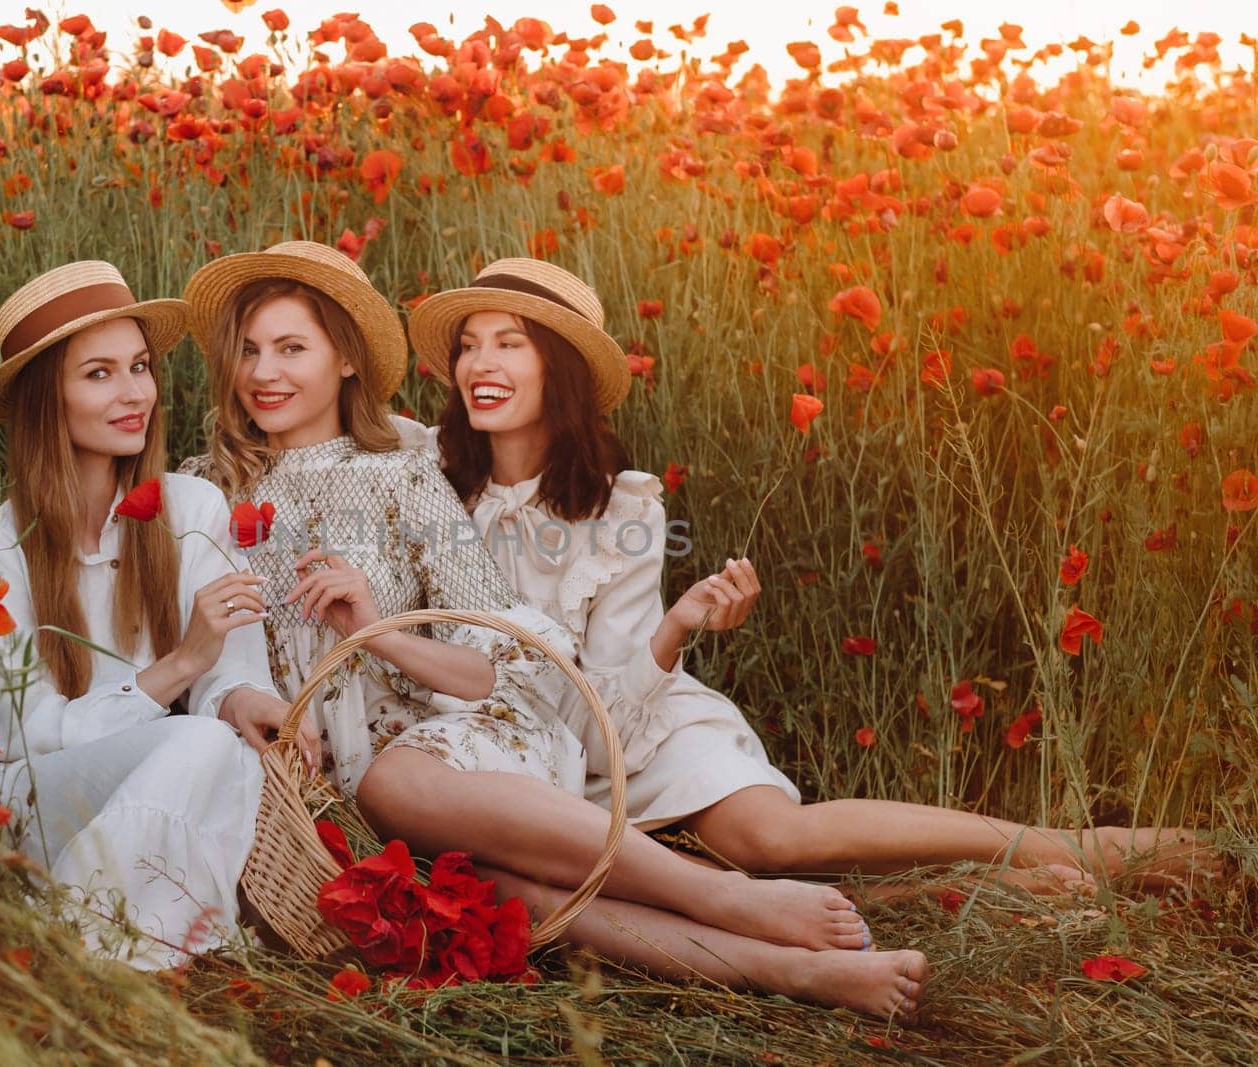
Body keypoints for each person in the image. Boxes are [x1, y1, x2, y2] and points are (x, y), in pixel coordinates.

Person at [177, 242, 929, 1019]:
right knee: (507, 898)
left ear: (347, 360)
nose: (264, 372)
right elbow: (209, 654)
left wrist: (379, 632)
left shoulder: (403, 472)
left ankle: (726, 893)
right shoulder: (202, 490)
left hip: (450, 740)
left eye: (291, 348)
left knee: (396, 783)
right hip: (330, 780)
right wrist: (235, 697)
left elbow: (495, 665)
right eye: (249, 351)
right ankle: (790, 970)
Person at [403, 256, 1214, 891]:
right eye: (470, 343)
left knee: (771, 841)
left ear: (561, 370)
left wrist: (678, 623)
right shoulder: (425, 478)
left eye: (511, 342)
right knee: (743, 878)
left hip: (634, 728)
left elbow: (611, 701)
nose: (483, 361)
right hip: (510, 759)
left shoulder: (626, 508)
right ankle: (973, 891)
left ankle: (1084, 848)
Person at [0, 260, 305, 968]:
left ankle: (79, 935)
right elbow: (22, 738)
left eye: (140, 366)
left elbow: (228, 675)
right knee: (196, 749)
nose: (134, 393)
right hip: (41, 803)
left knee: (220, 748)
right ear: (44, 398)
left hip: (168, 773)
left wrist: (246, 697)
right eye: (99, 373)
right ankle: (93, 927)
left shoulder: (190, 508)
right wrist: (175, 667)